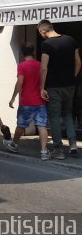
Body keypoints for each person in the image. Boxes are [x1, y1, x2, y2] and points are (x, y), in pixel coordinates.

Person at [37, 19, 81, 159]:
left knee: (55, 116)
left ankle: (58, 149)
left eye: (40, 33)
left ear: (43, 31)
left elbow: (43, 67)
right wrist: (71, 77)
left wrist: (42, 87)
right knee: (68, 113)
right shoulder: (70, 40)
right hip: (70, 85)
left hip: (54, 86)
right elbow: (78, 62)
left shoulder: (46, 44)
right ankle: (73, 144)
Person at [3, 43, 50, 160]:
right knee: (42, 126)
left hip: (27, 101)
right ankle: (44, 151)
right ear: (33, 52)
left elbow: (20, 82)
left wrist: (13, 97)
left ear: (23, 53)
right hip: (40, 101)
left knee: (21, 125)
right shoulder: (40, 65)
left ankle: (14, 144)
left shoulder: (22, 66)